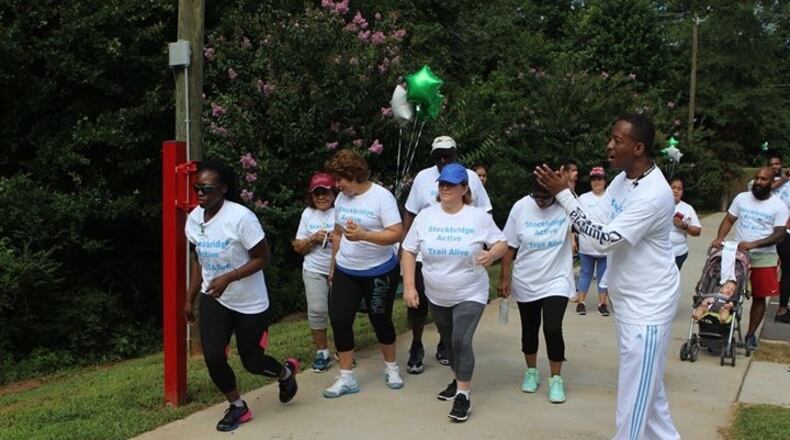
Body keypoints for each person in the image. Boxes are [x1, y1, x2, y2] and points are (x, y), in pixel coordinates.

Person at [535, 113, 682, 439]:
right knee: (651, 399)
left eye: (618, 140)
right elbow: (596, 218)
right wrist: (569, 194)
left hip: (649, 308)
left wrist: (563, 196)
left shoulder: (653, 195)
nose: (609, 145)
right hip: (628, 302)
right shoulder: (623, 181)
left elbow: (603, 238)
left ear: (639, 147)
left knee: (634, 400)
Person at [184, 160, 298, 432]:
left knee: (253, 362)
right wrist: (189, 299)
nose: (200, 194)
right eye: (196, 188)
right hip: (214, 297)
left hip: (249, 301)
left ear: (223, 189)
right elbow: (200, 261)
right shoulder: (194, 219)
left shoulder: (241, 218)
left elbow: (263, 258)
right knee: (213, 356)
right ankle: (237, 406)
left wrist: (229, 277)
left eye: (206, 189)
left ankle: (285, 373)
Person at [401, 163, 507, 422]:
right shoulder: (426, 216)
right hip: (436, 293)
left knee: (461, 339)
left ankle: (463, 395)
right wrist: (410, 286)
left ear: (464, 189)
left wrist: (491, 254)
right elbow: (408, 250)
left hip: (470, 290)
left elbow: (502, 242)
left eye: (451, 184)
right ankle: (457, 379)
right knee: (449, 342)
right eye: (442, 183)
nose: (445, 188)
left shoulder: (477, 216)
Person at [402, 136, 492, 374]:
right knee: (418, 306)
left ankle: (447, 346)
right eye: (438, 156)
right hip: (426, 253)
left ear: (455, 154)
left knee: (455, 323)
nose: (442, 160)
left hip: (461, 254)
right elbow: (411, 212)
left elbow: (485, 213)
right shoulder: (423, 177)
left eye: (447, 155)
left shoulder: (470, 177)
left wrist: (484, 249)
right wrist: (405, 245)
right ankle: (417, 344)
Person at [323, 149, 404, 398]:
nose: (337, 186)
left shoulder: (382, 197)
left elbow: (396, 233)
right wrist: (333, 266)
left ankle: (391, 368)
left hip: (379, 271)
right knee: (339, 319)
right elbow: (337, 233)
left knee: (380, 318)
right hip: (347, 269)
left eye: (340, 180)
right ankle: (346, 377)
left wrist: (365, 235)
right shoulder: (341, 200)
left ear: (354, 175)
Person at [499, 174, 574, 404]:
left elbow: (587, 218)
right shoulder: (521, 208)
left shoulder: (566, 205)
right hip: (527, 279)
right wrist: (504, 278)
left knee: (552, 328)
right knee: (529, 330)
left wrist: (567, 189)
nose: (541, 202)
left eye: (546, 198)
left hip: (557, 279)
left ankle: (555, 378)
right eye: (537, 198)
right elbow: (509, 246)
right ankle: (531, 372)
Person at [712, 166, 788, 350]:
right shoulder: (741, 198)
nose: (758, 182)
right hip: (738, 255)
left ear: (771, 183)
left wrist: (754, 244)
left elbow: (779, 234)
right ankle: (723, 332)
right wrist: (720, 238)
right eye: (757, 178)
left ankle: (750, 334)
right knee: (728, 294)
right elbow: (729, 219)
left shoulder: (778, 206)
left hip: (764, 257)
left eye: (763, 179)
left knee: (759, 297)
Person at [292, 172, 336, 372]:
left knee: (340, 313)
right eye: (316, 193)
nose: (321, 197)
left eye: (325, 192)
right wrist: (313, 239)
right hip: (314, 269)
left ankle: (343, 350)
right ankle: (322, 352)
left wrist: (335, 238)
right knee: (317, 311)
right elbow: (298, 247)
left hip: (341, 268)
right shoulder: (308, 214)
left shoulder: (341, 211)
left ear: (333, 193)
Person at [575, 166, 610, 316]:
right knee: (585, 273)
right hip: (587, 245)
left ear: (605, 180)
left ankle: (602, 304)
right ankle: (581, 302)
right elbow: (576, 219)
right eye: (594, 179)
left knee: (604, 276)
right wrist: (574, 236)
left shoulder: (611, 197)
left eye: (600, 178)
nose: (597, 182)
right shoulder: (583, 198)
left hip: (605, 246)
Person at [767, 152, 790, 324]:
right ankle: (781, 310)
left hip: (786, 232)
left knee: (788, 271)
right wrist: (784, 179)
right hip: (770, 232)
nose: (775, 166)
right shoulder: (761, 182)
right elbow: (769, 187)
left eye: (777, 163)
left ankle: (783, 309)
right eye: (771, 164)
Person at [669, 177, 702, 270]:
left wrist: (684, 226)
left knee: (671, 280)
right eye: (673, 187)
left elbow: (697, 231)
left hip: (678, 253)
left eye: (679, 189)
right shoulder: (658, 204)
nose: (675, 191)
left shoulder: (687, 208)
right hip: (659, 253)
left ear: (682, 192)